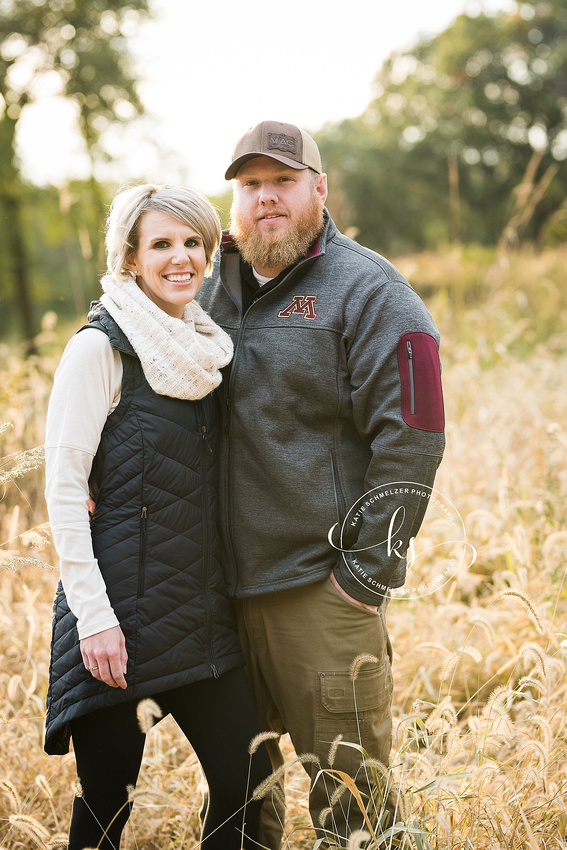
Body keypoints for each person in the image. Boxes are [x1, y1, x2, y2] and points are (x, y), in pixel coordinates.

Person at [196, 120, 446, 848]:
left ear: (319, 188)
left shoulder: (370, 292)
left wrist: (365, 573)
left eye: (281, 181)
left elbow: (415, 435)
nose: (265, 199)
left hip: (317, 591)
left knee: (352, 807)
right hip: (213, 596)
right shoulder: (202, 285)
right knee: (240, 800)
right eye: (249, 186)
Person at [44, 184, 271, 850]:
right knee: (106, 816)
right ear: (130, 258)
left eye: (193, 242)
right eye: (162, 244)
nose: (180, 258)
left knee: (250, 781)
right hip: (119, 624)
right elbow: (62, 489)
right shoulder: (99, 349)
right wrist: (96, 621)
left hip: (200, 614)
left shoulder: (203, 346)